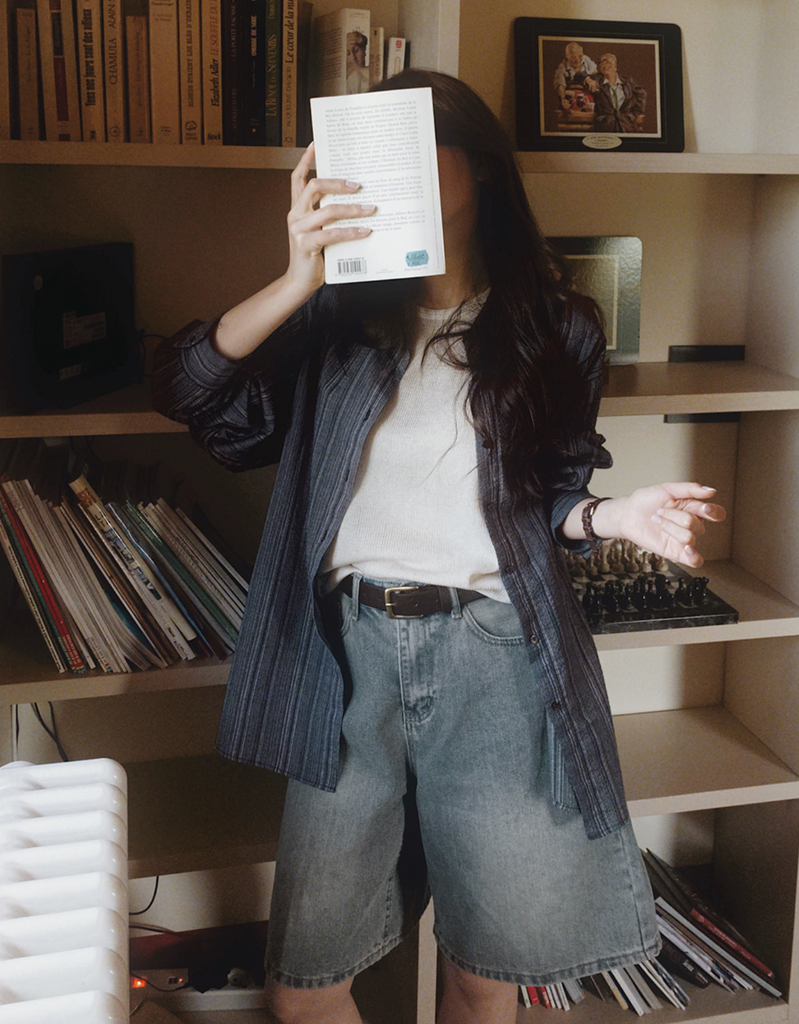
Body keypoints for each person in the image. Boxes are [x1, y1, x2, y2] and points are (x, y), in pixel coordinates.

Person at [153, 69, 725, 1024]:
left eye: (416, 141)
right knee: (305, 988)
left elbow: (546, 495)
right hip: (346, 657)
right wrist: (298, 277)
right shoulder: (334, 321)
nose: (391, 165)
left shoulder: (555, 328)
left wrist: (610, 515)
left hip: (494, 656)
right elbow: (188, 392)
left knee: (484, 971)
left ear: (482, 170)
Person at [593, 52, 647, 133]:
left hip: (627, 124)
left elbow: (642, 93)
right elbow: (579, 75)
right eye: (602, 63)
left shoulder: (627, 82)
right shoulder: (597, 82)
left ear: (615, 66)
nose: (605, 65)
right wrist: (587, 80)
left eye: (608, 62)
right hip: (606, 125)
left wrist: (635, 113)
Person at [553, 41, 598, 108]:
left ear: (582, 53)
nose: (578, 60)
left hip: (586, 101)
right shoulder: (562, 67)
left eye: (580, 56)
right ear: (567, 56)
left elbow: (596, 74)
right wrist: (563, 98)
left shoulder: (587, 61)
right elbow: (560, 84)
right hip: (571, 101)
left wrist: (593, 81)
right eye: (574, 57)